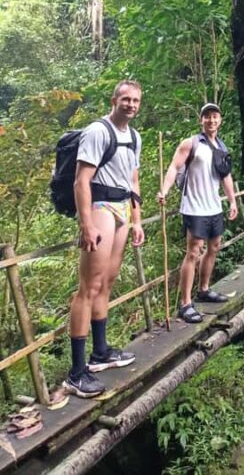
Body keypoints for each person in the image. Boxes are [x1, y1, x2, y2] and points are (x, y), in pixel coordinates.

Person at [63, 80, 144, 398]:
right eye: (125, 99)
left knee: (107, 282)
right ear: (114, 100)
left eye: (136, 100)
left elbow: (133, 179)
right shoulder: (98, 131)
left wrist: (137, 220)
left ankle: (100, 353)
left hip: (123, 206)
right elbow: (81, 180)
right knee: (89, 287)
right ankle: (76, 372)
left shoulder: (134, 136)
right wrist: (86, 224)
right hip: (100, 207)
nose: (131, 104)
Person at [157, 103, 238, 324]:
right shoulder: (191, 143)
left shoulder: (221, 146)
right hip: (194, 207)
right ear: (201, 120)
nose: (211, 120)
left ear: (220, 120)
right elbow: (174, 167)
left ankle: (203, 289)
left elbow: (226, 176)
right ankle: (185, 303)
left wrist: (232, 200)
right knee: (193, 252)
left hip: (214, 206)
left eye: (215, 116)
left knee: (214, 247)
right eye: (207, 117)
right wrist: (163, 190)